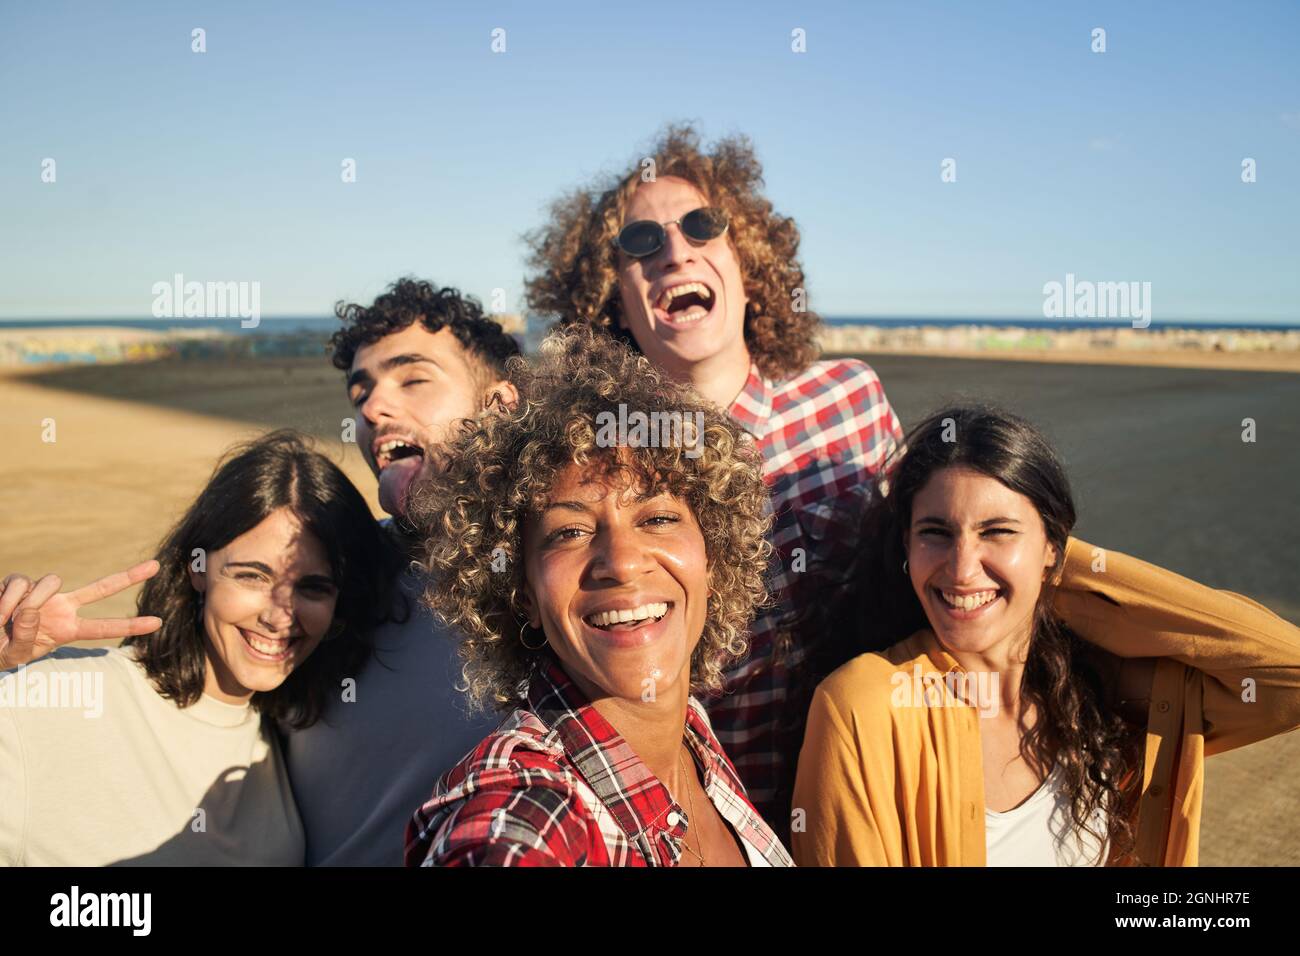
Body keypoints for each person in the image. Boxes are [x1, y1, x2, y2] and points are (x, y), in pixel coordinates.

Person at [525, 124, 903, 832]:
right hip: (699, 826)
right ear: (612, 301)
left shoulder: (851, 401)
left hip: (865, 809)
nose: (674, 249)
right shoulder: (598, 463)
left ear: (748, 262)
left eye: (702, 225)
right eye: (640, 242)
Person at [791, 406, 1300, 866]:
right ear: (906, 544)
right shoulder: (863, 706)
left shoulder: (1105, 690)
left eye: (998, 531)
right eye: (936, 532)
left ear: (1056, 546)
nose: (963, 569)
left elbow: (1287, 670)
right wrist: (1024, 571)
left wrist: (1063, 578)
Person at [404, 327, 793, 866]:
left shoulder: (691, 732)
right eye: (570, 532)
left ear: (713, 556)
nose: (623, 562)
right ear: (523, 593)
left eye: (657, 518)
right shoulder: (523, 813)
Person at [0, 431, 401, 865]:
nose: (279, 615)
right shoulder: (51, 700)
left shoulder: (286, 738)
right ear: (198, 570)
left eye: (313, 587)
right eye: (252, 576)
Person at [284, 277, 520, 865]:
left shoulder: (567, 574)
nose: (371, 408)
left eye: (413, 379)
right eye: (360, 391)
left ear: (498, 407)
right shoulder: (331, 575)